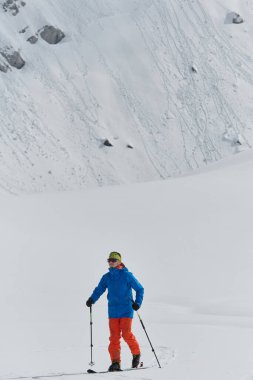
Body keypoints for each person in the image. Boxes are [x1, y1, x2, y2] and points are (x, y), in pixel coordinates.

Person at [86, 251, 144, 372]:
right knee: (114, 337)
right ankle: (115, 362)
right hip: (113, 311)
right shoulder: (106, 277)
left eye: (113, 260)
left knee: (126, 334)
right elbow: (99, 289)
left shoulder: (127, 275)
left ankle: (136, 354)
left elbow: (140, 289)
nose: (111, 262)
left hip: (127, 310)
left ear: (119, 262)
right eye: (109, 260)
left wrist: (137, 303)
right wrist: (92, 299)